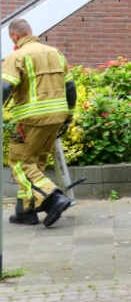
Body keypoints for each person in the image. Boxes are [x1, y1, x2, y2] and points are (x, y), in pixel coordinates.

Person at [1, 18, 75, 228]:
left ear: (15, 36)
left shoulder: (16, 57)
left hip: (31, 120)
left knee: (21, 164)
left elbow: (5, 88)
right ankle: (25, 211)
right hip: (56, 118)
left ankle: (53, 198)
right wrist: (68, 117)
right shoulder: (55, 53)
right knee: (36, 163)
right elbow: (70, 89)